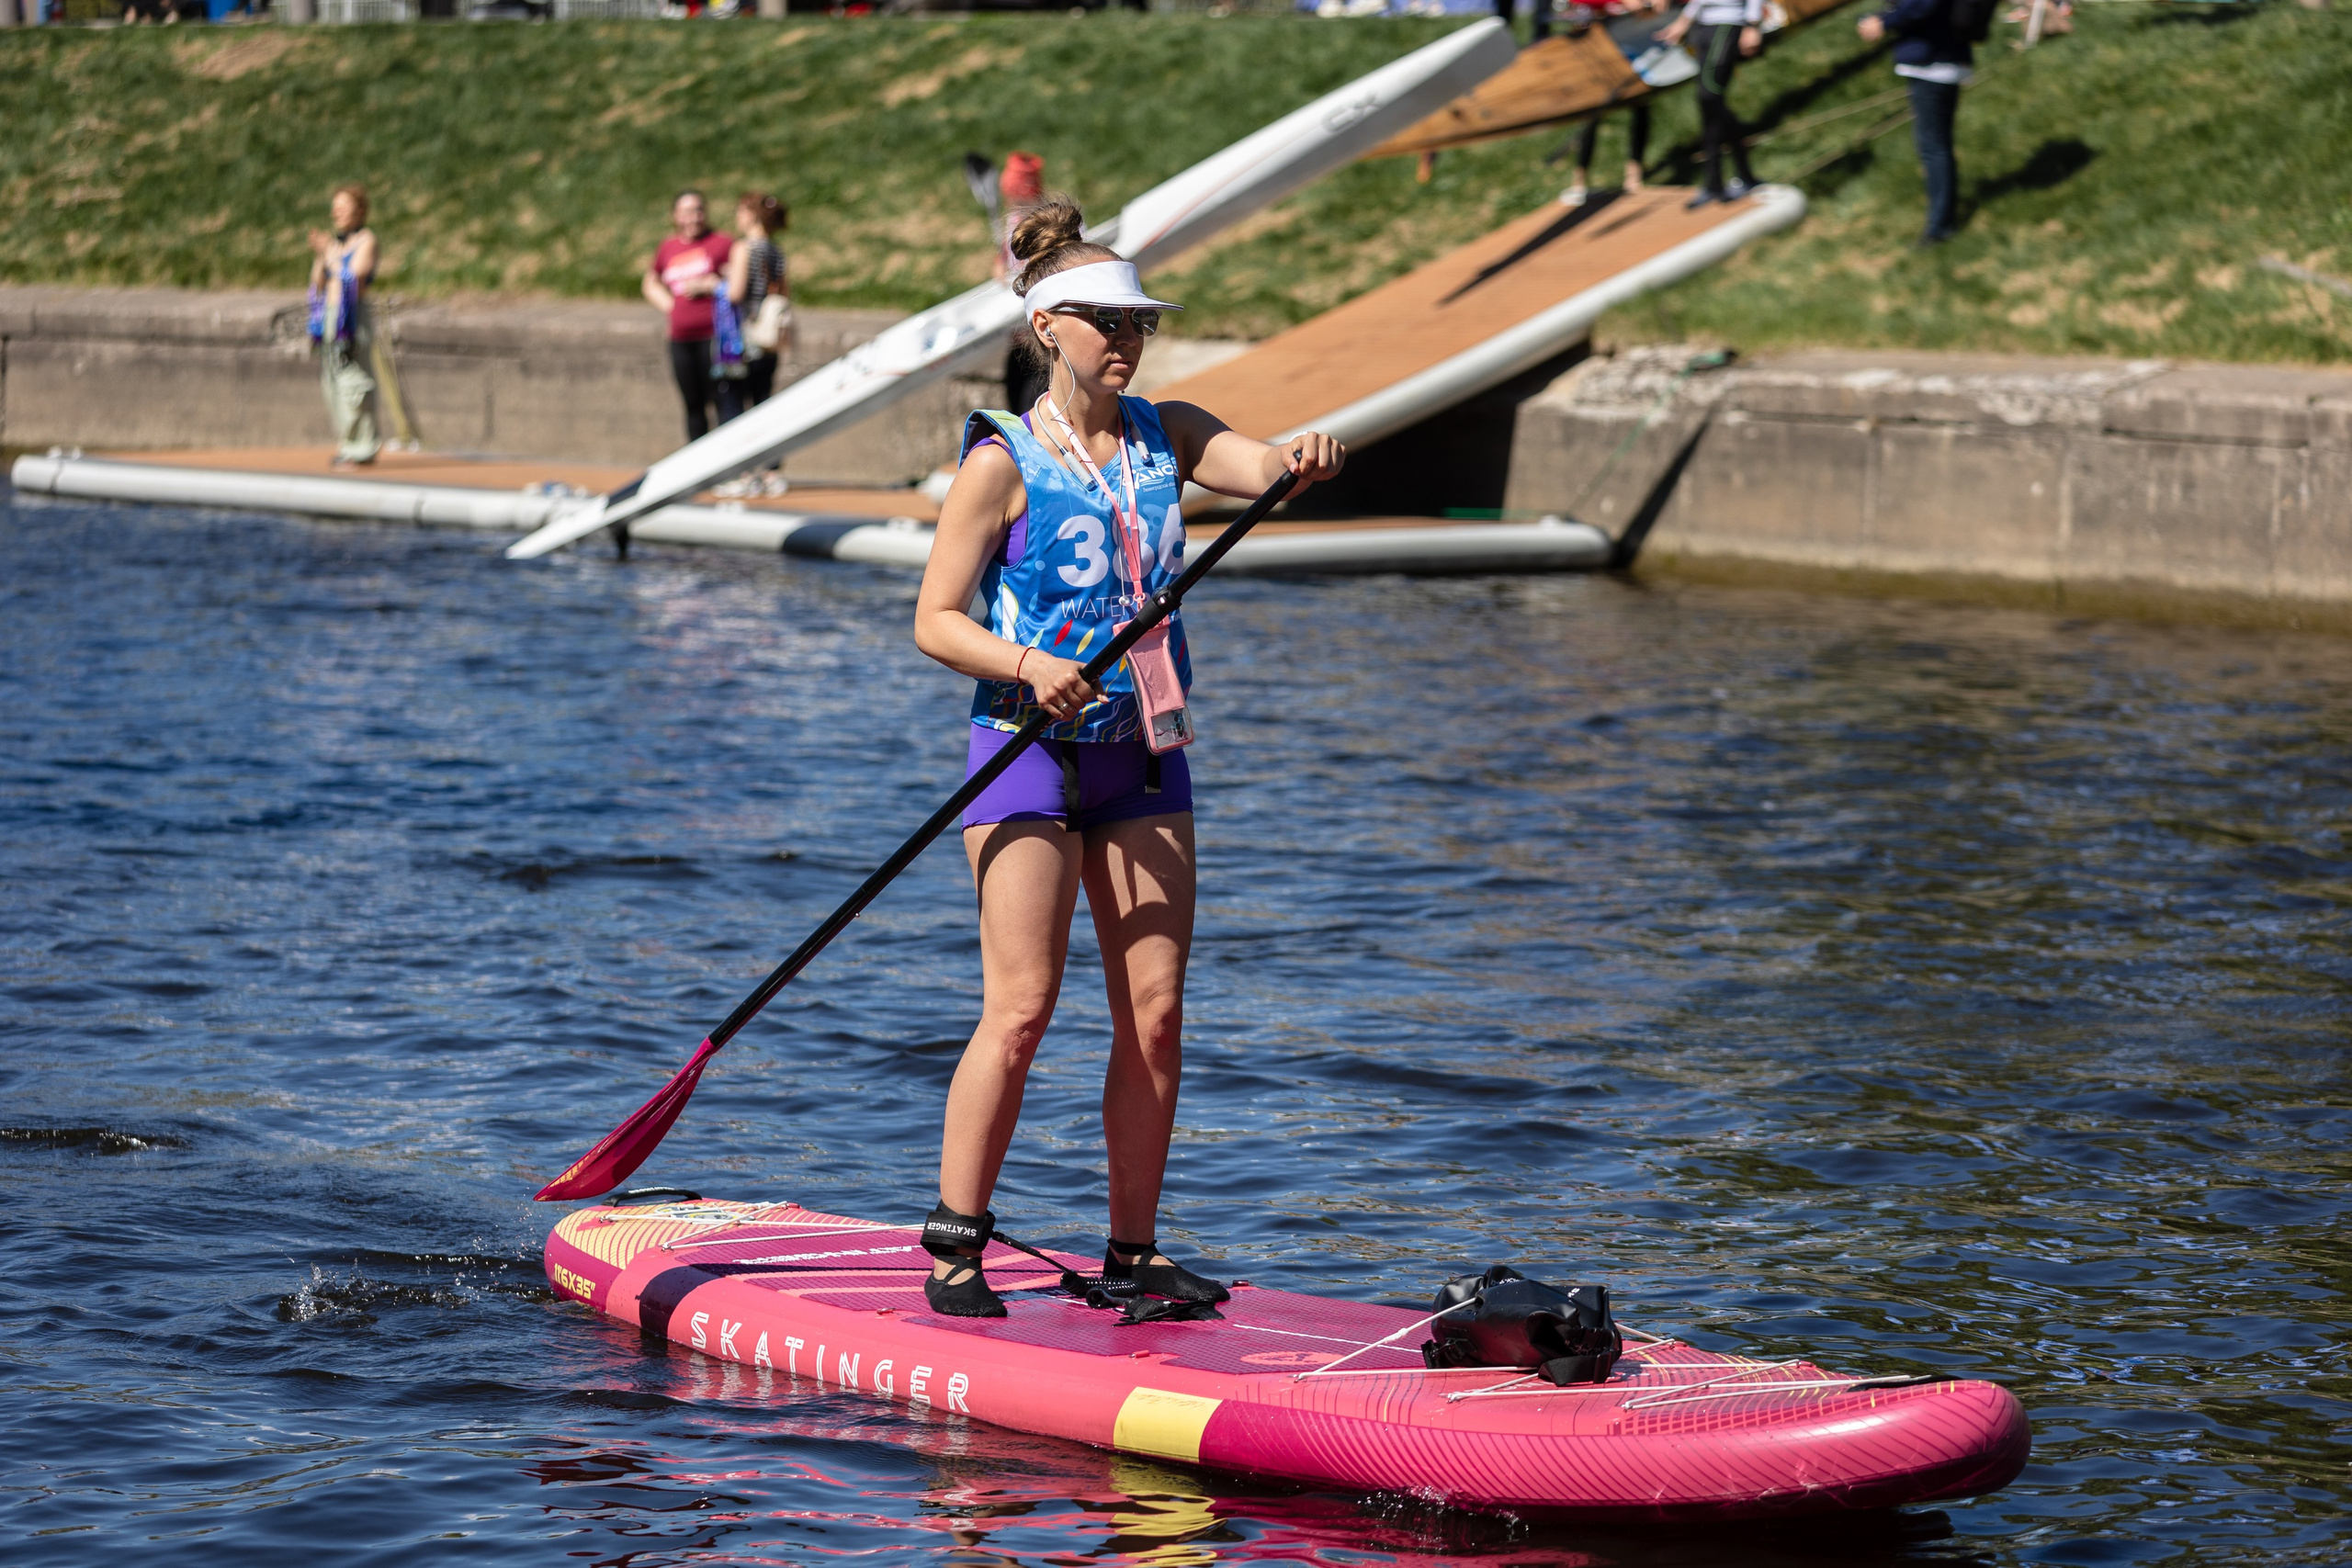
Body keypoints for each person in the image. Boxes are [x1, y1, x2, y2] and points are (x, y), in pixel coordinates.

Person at [909, 201, 1345, 1319]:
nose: (1127, 340)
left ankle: (1132, 1253)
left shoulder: (1171, 431)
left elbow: (1258, 466)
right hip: (1026, 751)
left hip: (1143, 753)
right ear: (1047, 325)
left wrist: (1299, 454)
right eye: (1105, 322)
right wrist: (1024, 662)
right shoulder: (999, 462)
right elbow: (934, 621)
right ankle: (958, 1239)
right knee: (1023, 1008)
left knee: (1154, 1013)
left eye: (1138, 323)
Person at [1860, 0, 1973, 246]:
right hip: (1938, 61)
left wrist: (1884, 22)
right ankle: (1941, 222)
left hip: (1933, 63)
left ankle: (1940, 227)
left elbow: (1923, 4)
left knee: (1934, 147)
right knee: (1935, 145)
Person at [642, 191, 733, 442]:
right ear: (676, 216)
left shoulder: (721, 243)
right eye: (686, 212)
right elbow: (650, 282)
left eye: (698, 210)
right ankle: (697, 465)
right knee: (692, 403)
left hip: (713, 336)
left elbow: (738, 282)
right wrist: (671, 307)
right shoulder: (668, 247)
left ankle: (726, 462)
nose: (693, 218)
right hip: (680, 338)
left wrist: (712, 285)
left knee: (721, 400)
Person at [1659, 0, 1762, 208]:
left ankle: (1726, 179)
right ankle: (1727, 179)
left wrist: (1753, 25)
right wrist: (1683, 21)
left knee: (1709, 98)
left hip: (1727, 23)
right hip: (1703, 25)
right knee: (1710, 105)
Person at [307, 185, 379, 469]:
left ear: (359, 210)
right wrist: (320, 254)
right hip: (329, 316)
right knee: (332, 384)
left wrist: (331, 256)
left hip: (351, 318)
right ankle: (348, 445)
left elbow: (356, 278)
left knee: (354, 383)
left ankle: (363, 447)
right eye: (334, 205)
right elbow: (318, 283)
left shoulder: (367, 241)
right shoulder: (335, 245)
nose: (335, 211)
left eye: (343, 205)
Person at [718, 190, 789, 424]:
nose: (737, 217)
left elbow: (735, 294)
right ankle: (770, 457)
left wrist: (715, 284)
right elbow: (783, 292)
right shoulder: (776, 251)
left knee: (734, 402)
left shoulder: (744, 247)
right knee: (762, 399)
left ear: (752, 215)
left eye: (740, 211)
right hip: (769, 337)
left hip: (745, 337)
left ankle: (737, 457)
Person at [991, 152, 1051, 416]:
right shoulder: (1012, 221)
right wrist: (998, 265)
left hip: (1042, 336)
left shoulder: (1049, 223)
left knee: (1034, 404)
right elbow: (1005, 260)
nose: (1012, 201)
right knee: (1015, 397)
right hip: (1018, 336)